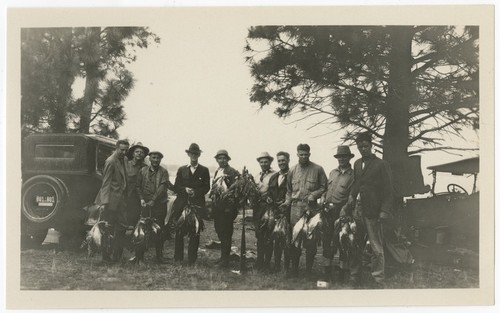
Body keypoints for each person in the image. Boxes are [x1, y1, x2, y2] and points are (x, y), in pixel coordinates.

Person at [346, 131, 394, 287]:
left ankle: (378, 279)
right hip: (358, 211)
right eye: (360, 147)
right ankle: (355, 276)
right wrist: (351, 197)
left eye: (366, 146)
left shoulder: (381, 164)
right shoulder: (357, 164)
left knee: (376, 247)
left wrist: (384, 211)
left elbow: (389, 190)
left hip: (373, 212)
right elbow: (356, 184)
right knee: (355, 244)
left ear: (371, 146)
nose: (363, 149)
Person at [280, 144, 327, 277]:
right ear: (297, 154)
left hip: (311, 209)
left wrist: (314, 195)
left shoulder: (318, 169)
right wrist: (287, 202)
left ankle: (308, 271)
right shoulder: (292, 170)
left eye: (306, 154)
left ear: (309, 154)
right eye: (301, 154)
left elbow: (324, 187)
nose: (304, 156)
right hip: (295, 209)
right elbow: (289, 191)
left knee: (310, 240)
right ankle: (294, 270)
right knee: (295, 239)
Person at [171, 143, 210, 265]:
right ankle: (178, 258)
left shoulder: (204, 170)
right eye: (192, 153)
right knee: (179, 231)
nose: (194, 155)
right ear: (188, 154)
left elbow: (207, 187)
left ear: (199, 155)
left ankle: (192, 259)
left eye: (196, 154)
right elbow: (176, 186)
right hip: (182, 204)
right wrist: (185, 190)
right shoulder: (182, 169)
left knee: (195, 231)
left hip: (197, 205)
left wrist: (196, 192)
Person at [321, 145, 355, 282]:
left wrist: (345, 209)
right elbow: (326, 189)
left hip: (342, 211)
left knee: (342, 242)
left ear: (349, 158)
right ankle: (326, 272)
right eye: (339, 156)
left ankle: (342, 272)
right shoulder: (332, 173)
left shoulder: (353, 175)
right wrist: (323, 197)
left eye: (344, 156)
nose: (341, 159)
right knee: (327, 241)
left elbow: (352, 195)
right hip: (327, 211)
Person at [94, 139, 130, 263]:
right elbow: (106, 183)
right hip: (110, 201)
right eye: (122, 150)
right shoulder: (110, 161)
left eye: (126, 150)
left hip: (121, 200)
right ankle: (105, 257)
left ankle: (116, 256)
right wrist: (104, 203)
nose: (124, 152)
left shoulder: (124, 159)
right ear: (116, 148)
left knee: (122, 227)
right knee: (107, 229)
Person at [135, 150, 172, 264]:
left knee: (159, 230)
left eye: (158, 158)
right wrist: (141, 199)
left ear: (160, 160)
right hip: (145, 205)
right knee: (142, 230)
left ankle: (159, 257)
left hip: (159, 205)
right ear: (149, 158)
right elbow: (137, 186)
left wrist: (153, 200)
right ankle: (139, 257)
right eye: (154, 158)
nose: (156, 160)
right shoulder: (143, 170)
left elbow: (162, 187)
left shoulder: (164, 172)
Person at [209, 149, 239, 268]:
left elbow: (236, 190)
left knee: (226, 233)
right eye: (220, 158)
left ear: (228, 159)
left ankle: (225, 260)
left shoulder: (232, 172)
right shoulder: (217, 171)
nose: (222, 160)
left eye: (224, 158)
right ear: (217, 160)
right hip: (218, 208)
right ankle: (222, 257)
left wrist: (231, 206)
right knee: (220, 232)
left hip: (227, 209)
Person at [266, 151, 291, 272]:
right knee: (276, 238)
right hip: (275, 211)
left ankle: (286, 267)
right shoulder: (274, 177)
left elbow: (294, 192)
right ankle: (276, 265)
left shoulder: (292, 175)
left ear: (288, 160)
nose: (281, 163)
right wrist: (269, 198)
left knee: (286, 240)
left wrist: (287, 202)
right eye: (279, 161)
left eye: (283, 160)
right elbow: (269, 192)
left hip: (287, 212)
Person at [253, 152, 275, 270]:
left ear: (270, 162)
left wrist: (271, 197)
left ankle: (267, 262)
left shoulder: (274, 175)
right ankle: (259, 261)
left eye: (266, 161)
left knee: (268, 235)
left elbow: (276, 190)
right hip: (258, 208)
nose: (263, 164)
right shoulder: (257, 176)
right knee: (259, 235)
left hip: (269, 208)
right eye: (261, 162)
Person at [125, 142, 149, 227]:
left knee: (136, 219)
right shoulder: (127, 165)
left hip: (140, 197)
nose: (139, 154)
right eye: (137, 152)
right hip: (127, 195)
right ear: (133, 153)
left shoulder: (146, 168)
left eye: (141, 152)